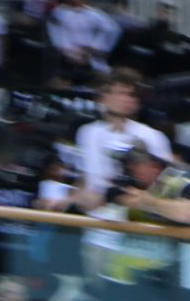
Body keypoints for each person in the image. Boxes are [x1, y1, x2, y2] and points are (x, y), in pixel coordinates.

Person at [73, 72, 175, 210]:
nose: (125, 99)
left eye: (131, 95)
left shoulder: (153, 136)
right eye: (119, 93)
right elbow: (85, 177)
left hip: (135, 213)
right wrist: (71, 198)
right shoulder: (87, 132)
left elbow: (165, 184)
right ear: (102, 97)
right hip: (95, 216)